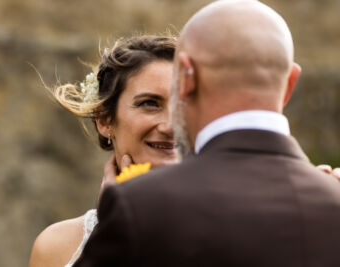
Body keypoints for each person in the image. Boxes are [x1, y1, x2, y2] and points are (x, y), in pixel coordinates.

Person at [72, 1, 340, 266]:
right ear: (290, 82)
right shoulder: (331, 200)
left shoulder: (139, 208)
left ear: (186, 79)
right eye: (150, 103)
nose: (169, 124)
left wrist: (121, 214)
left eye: (174, 97)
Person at [29, 36, 181, 267]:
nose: (170, 126)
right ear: (105, 119)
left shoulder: (233, 232)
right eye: (149, 103)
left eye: (183, 105)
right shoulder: (56, 246)